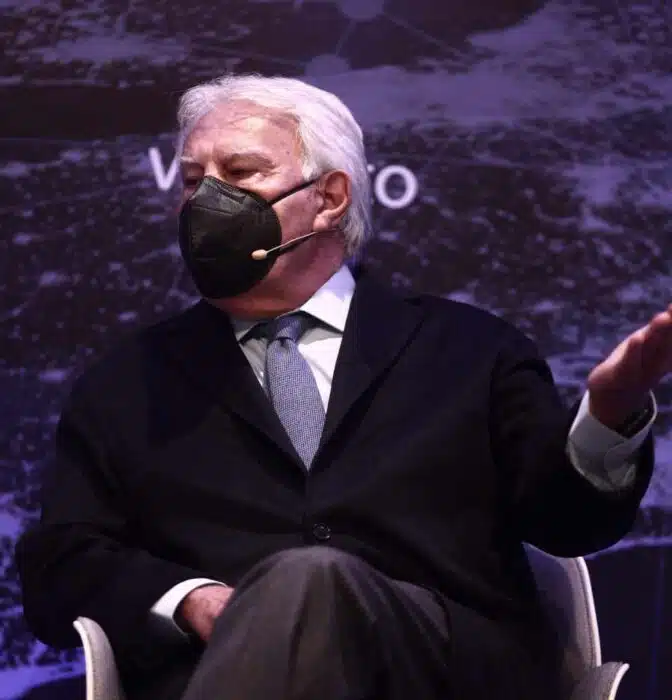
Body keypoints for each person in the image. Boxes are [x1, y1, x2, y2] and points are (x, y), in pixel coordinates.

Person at [15, 74, 666, 700]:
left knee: (315, 578)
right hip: (218, 672)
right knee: (305, 585)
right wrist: (191, 600)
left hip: (443, 676)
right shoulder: (127, 383)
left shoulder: (473, 350)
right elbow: (59, 567)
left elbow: (567, 524)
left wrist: (608, 418)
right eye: (192, 181)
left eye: (240, 174)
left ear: (329, 198)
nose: (207, 200)